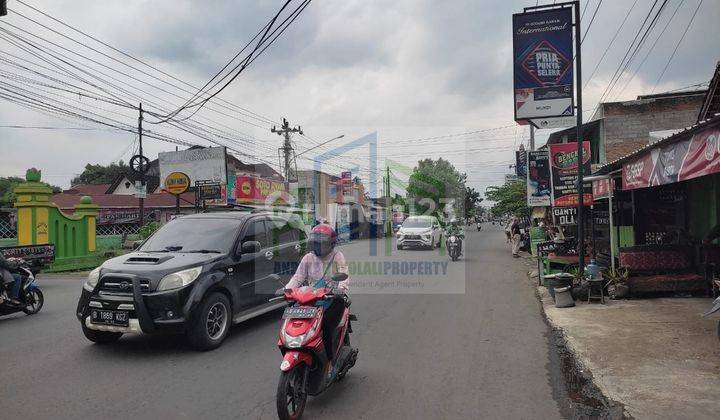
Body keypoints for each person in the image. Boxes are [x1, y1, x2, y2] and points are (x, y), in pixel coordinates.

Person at [285, 224, 349, 364]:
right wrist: (288, 290)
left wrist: (340, 289)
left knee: (325, 325)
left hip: (332, 298)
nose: (318, 247)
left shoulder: (337, 256)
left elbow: (344, 274)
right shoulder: (308, 257)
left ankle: (330, 361)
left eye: (322, 244)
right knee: (292, 320)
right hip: (311, 298)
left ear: (331, 244)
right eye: (316, 244)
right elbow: (298, 277)